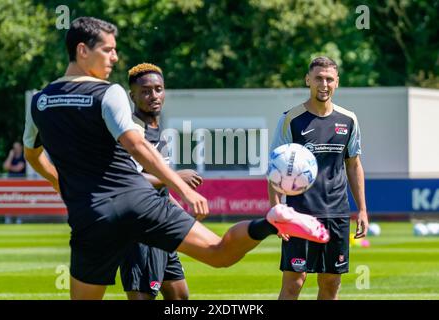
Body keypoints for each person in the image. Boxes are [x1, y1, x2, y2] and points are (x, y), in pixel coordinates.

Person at [23, 16, 329, 300]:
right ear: (82, 50)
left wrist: (59, 182)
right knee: (220, 253)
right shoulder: (108, 92)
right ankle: (271, 222)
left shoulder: (40, 101)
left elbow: (32, 154)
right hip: (138, 201)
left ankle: (272, 222)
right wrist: (183, 189)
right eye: (108, 50)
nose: (115, 58)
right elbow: (137, 146)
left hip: (91, 215)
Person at [268, 56, 369, 300]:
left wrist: (362, 210)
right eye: (318, 79)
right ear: (308, 80)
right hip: (300, 213)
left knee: (331, 283)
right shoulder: (290, 119)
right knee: (294, 283)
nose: (324, 84)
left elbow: (354, 164)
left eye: (329, 79)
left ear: (337, 83)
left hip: (336, 213)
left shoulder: (348, 120)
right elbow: (275, 169)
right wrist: (277, 211)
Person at [120, 62, 202, 300]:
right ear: (132, 95)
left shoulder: (158, 130)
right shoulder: (131, 131)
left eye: (158, 89)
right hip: (139, 228)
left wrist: (180, 214)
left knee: (179, 297)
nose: (153, 95)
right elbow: (126, 181)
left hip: (160, 225)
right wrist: (176, 178)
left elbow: (160, 189)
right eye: (145, 91)